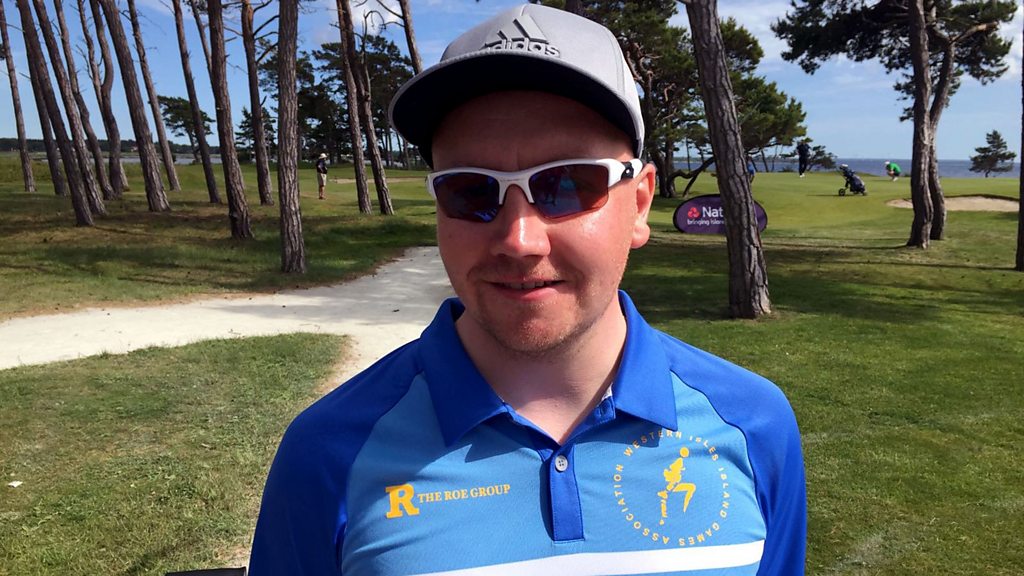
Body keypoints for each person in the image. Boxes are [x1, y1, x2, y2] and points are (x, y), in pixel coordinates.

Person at [249, 5, 806, 575]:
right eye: (471, 190)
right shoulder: (329, 452)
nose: (519, 240)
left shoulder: (753, 426)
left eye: (567, 185)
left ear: (639, 203)